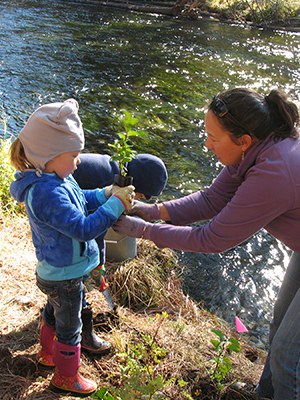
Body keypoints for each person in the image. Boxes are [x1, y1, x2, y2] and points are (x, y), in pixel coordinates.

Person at [113, 88, 300, 400]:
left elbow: (211, 238)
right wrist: (157, 211)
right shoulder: (256, 148)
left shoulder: (274, 171)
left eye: (214, 137)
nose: (206, 143)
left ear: (243, 140)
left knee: (287, 357)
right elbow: (212, 199)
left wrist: (143, 229)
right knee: (281, 326)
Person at [9, 99, 135, 396]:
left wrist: (105, 193)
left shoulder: (56, 178)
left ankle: (47, 355)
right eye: (74, 154)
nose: (78, 160)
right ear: (49, 154)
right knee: (70, 326)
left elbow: (83, 200)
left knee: (54, 314)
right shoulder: (46, 194)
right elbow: (82, 228)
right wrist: (116, 205)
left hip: (61, 270)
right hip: (64, 276)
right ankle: (66, 377)